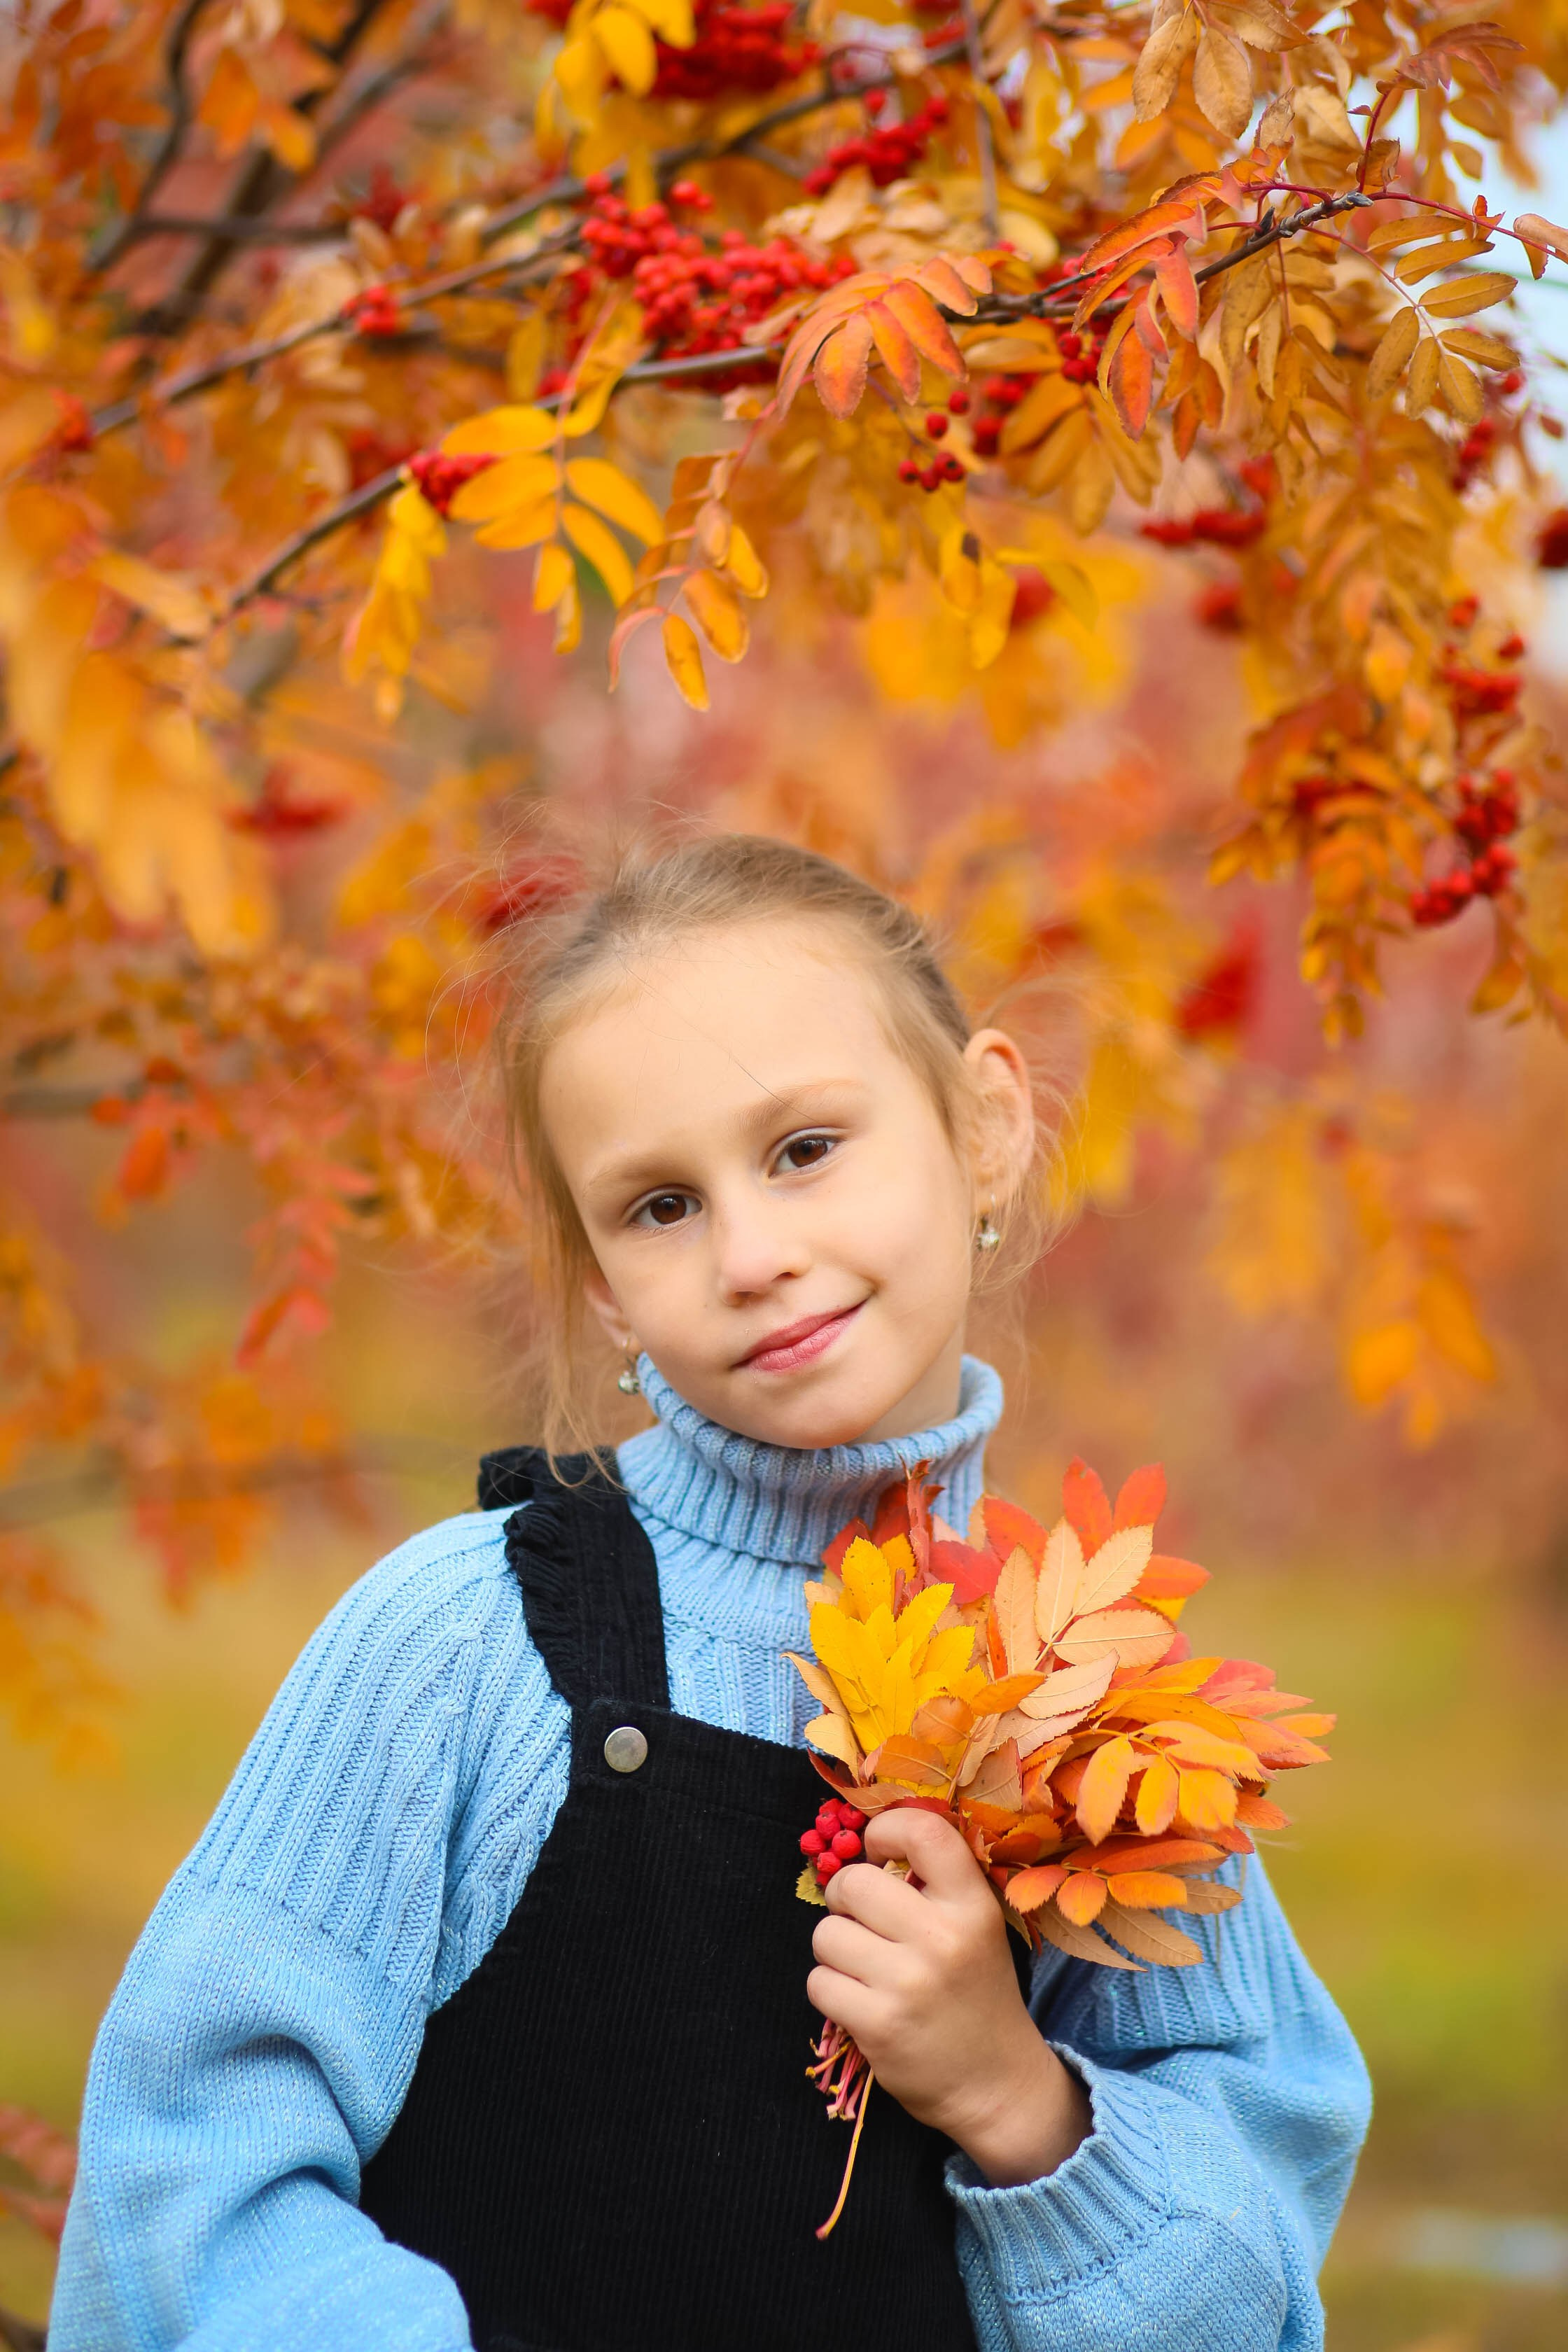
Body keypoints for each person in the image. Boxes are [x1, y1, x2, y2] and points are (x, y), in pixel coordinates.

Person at [51, 836, 1371, 2352]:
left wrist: (1013, 2095)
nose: (753, 1255)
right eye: (660, 1207)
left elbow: (1245, 2284)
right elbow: (186, 2174)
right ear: (604, 1282)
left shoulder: (1096, 1700)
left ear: (984, 1124)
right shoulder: (463, 1645)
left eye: (805, 1149)